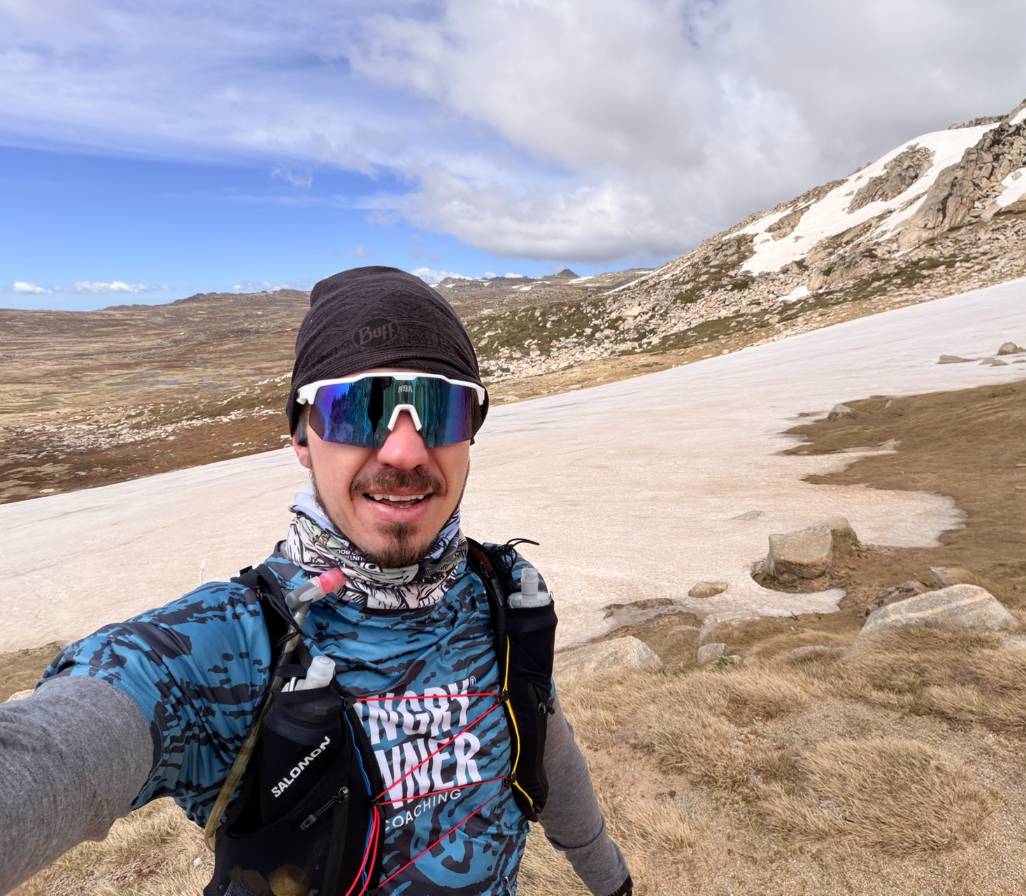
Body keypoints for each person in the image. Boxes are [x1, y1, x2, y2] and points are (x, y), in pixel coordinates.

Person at [0, 266, 632, 896]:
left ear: (471, 430)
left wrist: (609, 878)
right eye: (358, 407)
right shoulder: (230, 647)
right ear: (301, 434)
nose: (405, 452)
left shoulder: (500, 596)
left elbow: (545, 740)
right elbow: (58, 749)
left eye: (440, 408)